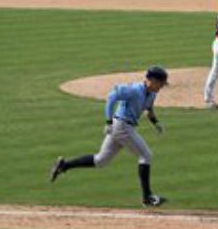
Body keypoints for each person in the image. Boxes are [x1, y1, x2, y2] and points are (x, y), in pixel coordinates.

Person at [50, 66, 170, 208]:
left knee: (101, 160)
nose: (161, 87)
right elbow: (112, 96)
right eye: (160, 83)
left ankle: (64, 165)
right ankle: (147, 197)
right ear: (151, 80)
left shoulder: (152, 94)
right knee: (146, 155)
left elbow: (148, 110)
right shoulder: (133, 90)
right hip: (121, 126)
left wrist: (155, 123)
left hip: (125, 127)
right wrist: (108, 121)